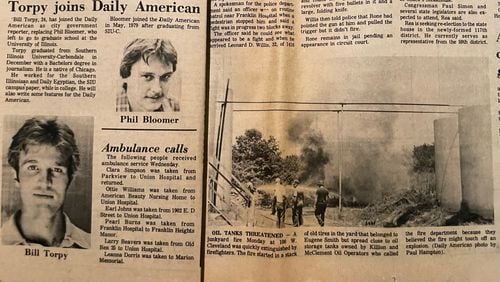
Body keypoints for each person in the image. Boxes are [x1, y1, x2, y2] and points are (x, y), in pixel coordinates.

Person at [2, 117, 90, 248]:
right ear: (16, 175)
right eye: (33, 168)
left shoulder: (91, 244)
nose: (44, 183)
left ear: (70, 178)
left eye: (56, 169)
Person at [117, 38, 179, 112]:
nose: (157, 90)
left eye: (165, 77)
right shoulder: (108, 107)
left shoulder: (175, 107)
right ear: (126, 75)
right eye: (147, 77)